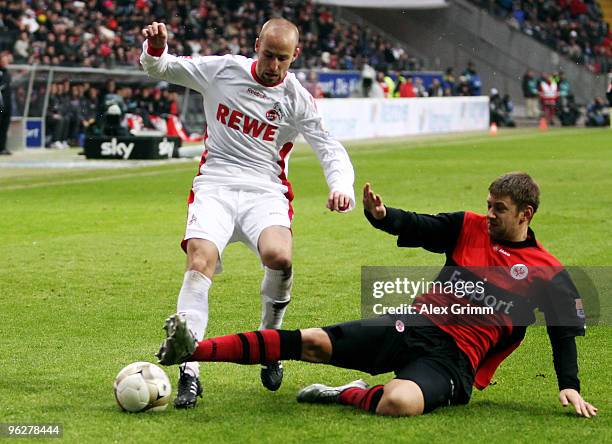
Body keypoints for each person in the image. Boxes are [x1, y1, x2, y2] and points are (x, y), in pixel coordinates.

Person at [156, 173, 597, 418]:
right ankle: (193, 350)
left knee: (398, 402)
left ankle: (345, 392)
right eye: (489, 204)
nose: (489, 214)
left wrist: (570, 387)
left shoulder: (549, 271)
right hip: (412, 323)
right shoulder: (468, 226)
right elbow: (421, 225)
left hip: (453, 362)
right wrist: (383, 216)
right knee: (310, 341)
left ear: (526, 214)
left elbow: (563, 333)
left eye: (499, 209)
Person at [140, 19, 355, 409]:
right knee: (199, 261)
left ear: (295, 57)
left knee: (281, 258)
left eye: (282, 59)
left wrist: (341, 185)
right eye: (267, 54)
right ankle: (190, 369)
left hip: (265, 190)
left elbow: (328, 146)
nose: (273, 65)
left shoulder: (297, 98)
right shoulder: (222, 69)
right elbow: (162, 67)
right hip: (216, 184)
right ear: (256, 45)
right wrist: (155, 49)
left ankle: (269, 342)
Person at [0, 51, 13, 156]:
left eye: (6, 59)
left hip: (7, 104)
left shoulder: (7, 72)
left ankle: (2, 148)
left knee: (4, 127)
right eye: (4, 59)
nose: (6, 61)